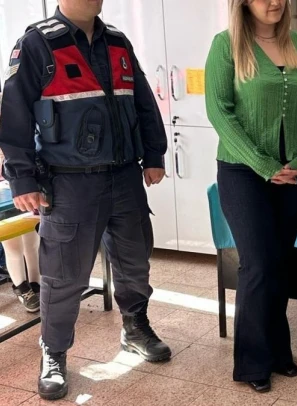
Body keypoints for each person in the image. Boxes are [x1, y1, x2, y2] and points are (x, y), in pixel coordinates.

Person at [0, 0, 172, 400]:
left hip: (125, 176)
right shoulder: (36, 44)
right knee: (63, 277)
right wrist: (22, 178)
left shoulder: (118, 41)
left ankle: (135, 327)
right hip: (69, 184)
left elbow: (144, 102)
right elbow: (15, 117)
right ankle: (54, 353)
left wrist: (155, 154)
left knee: (135, 261)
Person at [204, 0, 297, 394]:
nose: (275, 2)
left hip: (292, 172)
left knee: (280, 263)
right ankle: (252, 362)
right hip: (242, 172)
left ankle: (277, 350)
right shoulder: (226, 45)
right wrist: (262, 164)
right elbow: (219, 112)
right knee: (257, 264)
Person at [0, 92, 41, 312]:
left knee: (32, 243)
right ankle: (21, 287)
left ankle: (36, 284)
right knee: (13, 247)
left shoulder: (19, 132)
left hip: (25, 195)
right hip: (5, 203)